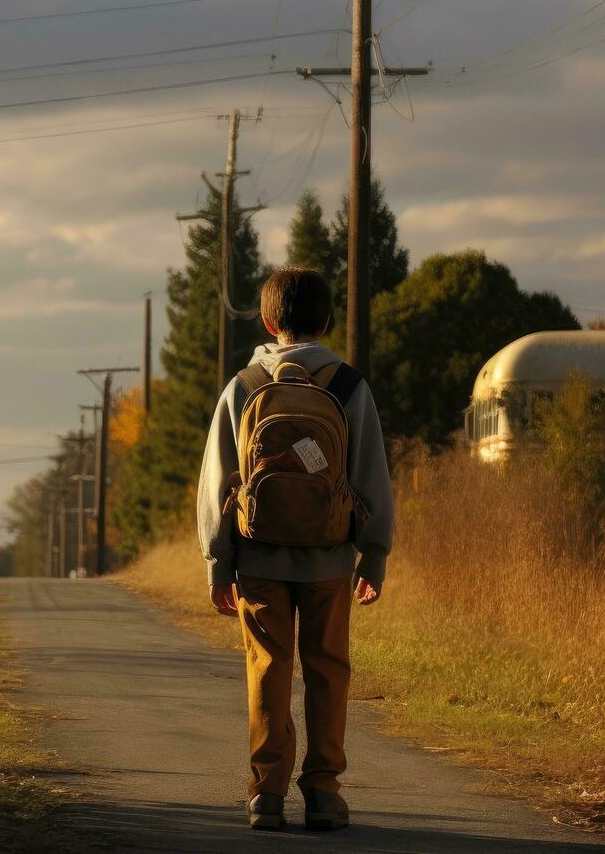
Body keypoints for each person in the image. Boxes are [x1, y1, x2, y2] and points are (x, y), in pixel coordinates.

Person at [196, 266, 394, 832]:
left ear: (267, 321)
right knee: (328, 668)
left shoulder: (243, 385)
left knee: (268, 668)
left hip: (258, 557)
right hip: (331, 557)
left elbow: (218, 480)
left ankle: (267, 793)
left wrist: (219, 562)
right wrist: (373, 555)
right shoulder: (349, 386)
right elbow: (371, 476)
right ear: (328, 321)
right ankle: (325, 793)